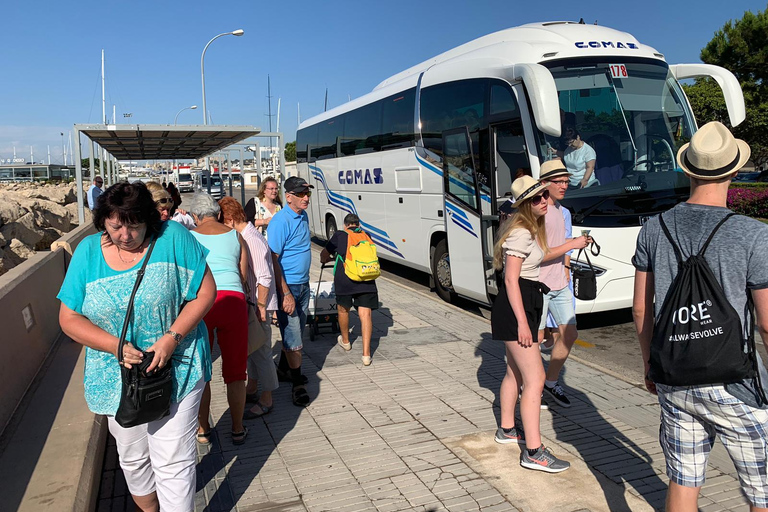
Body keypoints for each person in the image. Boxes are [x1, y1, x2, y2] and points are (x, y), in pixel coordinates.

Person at [632, 121, 768, 512]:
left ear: (688, 170)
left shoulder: (653, 228)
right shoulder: (752, 235)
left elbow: (642, 308)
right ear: (734, 171)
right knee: (760, 492)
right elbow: (765, 322)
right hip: (736, 382)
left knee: (683, 481)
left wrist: (649, 366)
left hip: (674, 375)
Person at [58, 181, 216, 512]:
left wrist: (172, 338)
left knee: (173, 460)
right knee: (133, 457)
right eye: (116, 227)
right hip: (116, 377)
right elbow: (69, 318)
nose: (126, 236)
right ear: (103, 221)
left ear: (150, 219)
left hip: (179, 367)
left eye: (135, 226)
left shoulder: (173, 238)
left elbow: (205, 293)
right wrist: (115, 345)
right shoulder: (87, 253)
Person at [491, 175, 571, 473]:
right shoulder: (521, 233)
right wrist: (524, 324)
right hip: (518, 308)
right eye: (536, 199)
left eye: (544, 196)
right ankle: (534, 451)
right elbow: (511, 278)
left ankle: (508, 429)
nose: (544, 201)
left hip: (523, 304)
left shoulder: (527, 229)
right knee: (535, 380)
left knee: (514, 373)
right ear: (524, 204)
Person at [187, 193, 250, 446]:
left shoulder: (189, 237)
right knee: (235, 372)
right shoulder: (236, 235)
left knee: (203, 371)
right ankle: (237, 428)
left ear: (194, 216)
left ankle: (203, 429)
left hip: (202, 303)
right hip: (234, 301)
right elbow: (243, 275)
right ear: (218, 214)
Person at [218, 197, 280, 418]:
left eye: (223, 223)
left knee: (262, 350)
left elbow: (264, 276)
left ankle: (267, 397)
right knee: (252, 349)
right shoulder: (247, 235)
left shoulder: (250, 239)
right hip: (254, 303)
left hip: (258, 304)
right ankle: (253, 388)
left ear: (231, 219)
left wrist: (261, 306)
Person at [536, 160, 590, 407]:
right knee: (535, 341)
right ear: (545, 183)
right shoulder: (537, 211)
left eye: (567, 181)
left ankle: (549, 382)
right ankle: (532, 387)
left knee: (569, 334)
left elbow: (566, 239)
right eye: (560, 182)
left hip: (559, 284)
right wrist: (572, 245)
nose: (565, 186)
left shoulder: (564, 212)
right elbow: (539, 254)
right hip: (537, 285)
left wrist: (567, 267)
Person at [267, 176, 314, 407]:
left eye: (308, 194)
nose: (306, 198)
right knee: (294, 335)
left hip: (303, 284)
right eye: (301, 194)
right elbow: (273, 258)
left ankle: (285, 369)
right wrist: (284, 293)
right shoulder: (280, 221)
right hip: (290, 287)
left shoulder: (302, 215)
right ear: (289, 197)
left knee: (295, 332)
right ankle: (298, 385)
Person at [320, 213, 379, 366]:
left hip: (345, 278)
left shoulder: (340, 235)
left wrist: (326, 259)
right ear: (358, 225)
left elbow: (324, 254)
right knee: (365, 314)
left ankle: (346, 341)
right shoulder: (367, 235)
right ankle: (366, 355)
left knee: (343, 310)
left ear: (346, 225)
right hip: (366, 277)